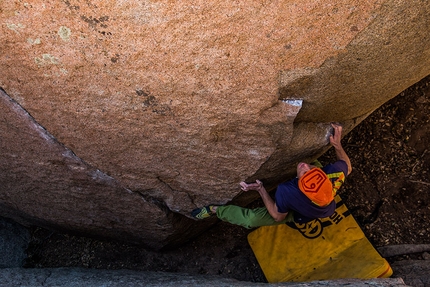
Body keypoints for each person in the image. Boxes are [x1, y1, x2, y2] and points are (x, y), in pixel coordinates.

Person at [191, 123, 352, 228]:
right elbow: (348, 167)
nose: (304, 167)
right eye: (312, 171)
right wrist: (337, 146)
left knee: (250, 220)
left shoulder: (287, 192)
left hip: (297, 215)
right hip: (324, 207)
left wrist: (261, 189)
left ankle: (214, 210)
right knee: (315, 165)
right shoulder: (333, 174)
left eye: (304, 176)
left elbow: (277, 216)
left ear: (298, 185)